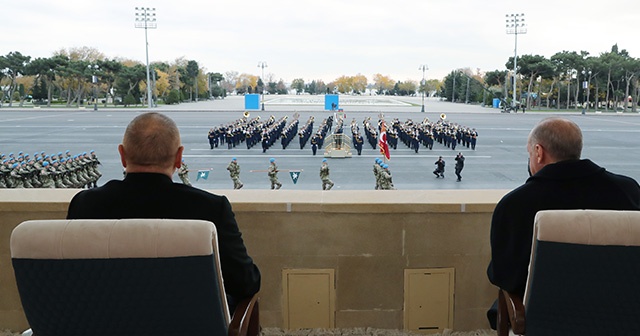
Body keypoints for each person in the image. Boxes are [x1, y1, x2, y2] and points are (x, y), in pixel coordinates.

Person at [66, 112, 261, 312]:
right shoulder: (210, 208)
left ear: (122, 156)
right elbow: (245, 282)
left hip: (104, 321)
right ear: (179, 158)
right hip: (188, 323)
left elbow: (68, 279)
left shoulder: (85, 204)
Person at [486, 117, 640, 329]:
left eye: (530, 153)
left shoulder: (515, 204)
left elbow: (505, 277)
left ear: (539, 152)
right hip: (621, 317)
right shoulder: (629, 190)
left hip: (548, 321)